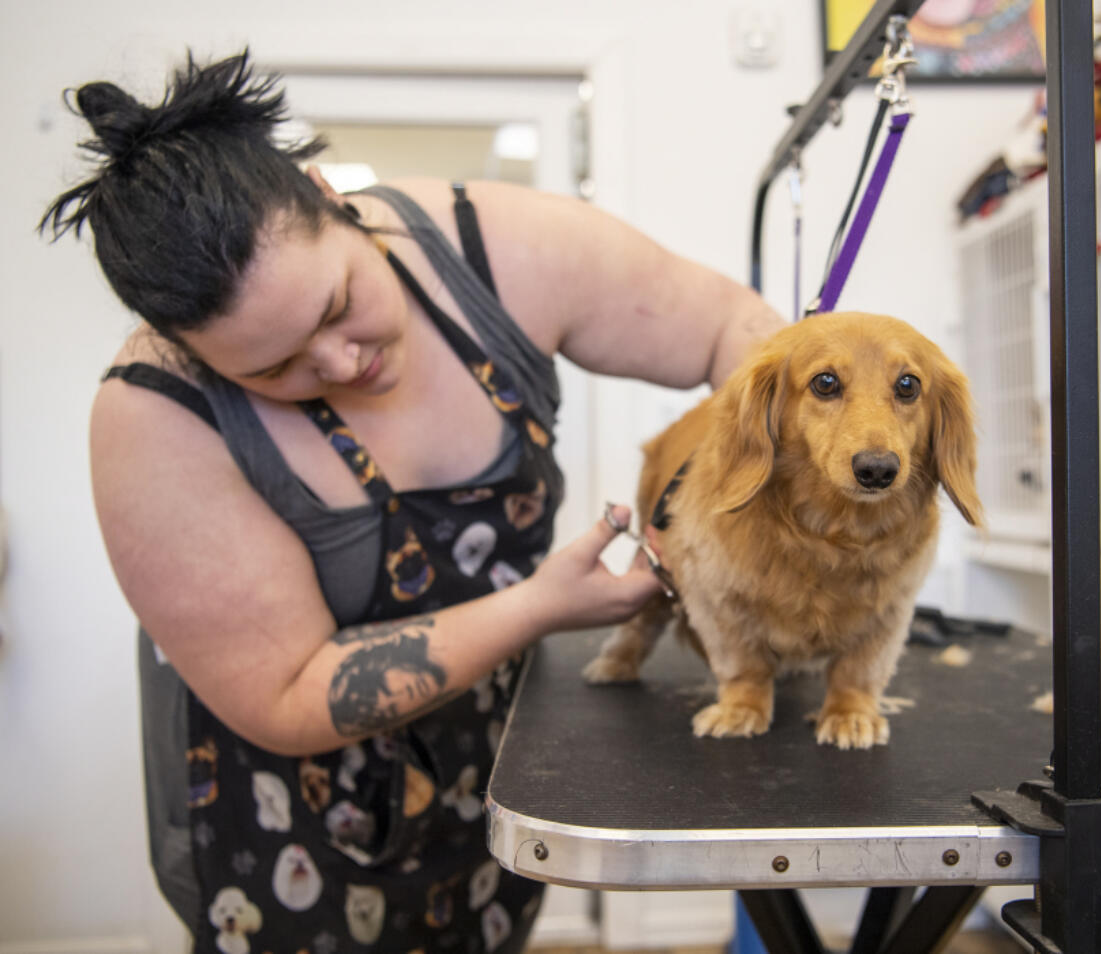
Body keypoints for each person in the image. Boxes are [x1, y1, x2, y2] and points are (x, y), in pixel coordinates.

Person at [42, 49, 786, 953]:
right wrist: (540, 608)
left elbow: (733, 333)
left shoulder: (493, 248)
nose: (340, 365)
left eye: (336, 306)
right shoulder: (156, 416)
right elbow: (284, 692)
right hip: (285, 832)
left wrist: (714, 507)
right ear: (192, 349)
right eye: (273, 368)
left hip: (482, 778)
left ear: (330, 195)